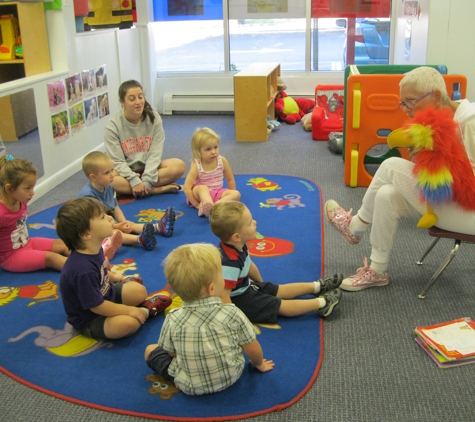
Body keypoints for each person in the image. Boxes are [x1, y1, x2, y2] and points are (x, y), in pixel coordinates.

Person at [325, 66, 475, 292]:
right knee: (387, 194)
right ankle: (377, 269)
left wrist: (440, 154)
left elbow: (467, 179)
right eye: (403, 102)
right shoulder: (432, 121)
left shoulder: (470, 120)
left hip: (469, 212)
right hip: (448, 203)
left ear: (435, 96)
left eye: (411, 101)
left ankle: (355, 226)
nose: (406, 109)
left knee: (390, 165)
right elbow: (432, 179)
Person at [144, 243, 274, 395]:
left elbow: (172, 353)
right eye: (222, 274)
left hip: (189, 385)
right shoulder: (231, 312)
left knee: (150, 350)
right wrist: (259, 365)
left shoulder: (173, 318)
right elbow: (252, 347)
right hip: (232, 375)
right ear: (211, 288)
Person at [56, 197, 172, 340]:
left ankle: (137, 306)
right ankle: (146, 310)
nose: (110, 218)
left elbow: (101, 269)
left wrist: (115, 278)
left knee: (139, 291)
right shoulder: (82, 270)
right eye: (102, 217)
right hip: (91, 318)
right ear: (86, 234)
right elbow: (97, 307)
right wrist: (130, 311)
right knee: (127, 324)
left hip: (106, 294)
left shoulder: (93, 247)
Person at [209, 201, 343, 321]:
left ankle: (317, 287)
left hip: (245, 287)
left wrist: (261, 286)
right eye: (250, 222)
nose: (255, 222)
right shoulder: (229, 263)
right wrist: (233, 319)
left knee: (278, 289)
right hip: (239, 300)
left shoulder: (238, 245)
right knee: (278, 305)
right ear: (236, 237)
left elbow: (249, 266)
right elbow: (224, 296)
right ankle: (322, 304)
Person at [78, 151, 176, 254]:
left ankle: (159, 227)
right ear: (93, 177)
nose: (112, 175)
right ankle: (139, 239)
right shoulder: (88, 197)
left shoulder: (108, 186)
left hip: (106, 220)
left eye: (112, 170)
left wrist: (123, 223)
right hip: (90, 230)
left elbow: (116, 207)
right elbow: (95, 225)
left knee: (129, 224)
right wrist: (116, 226)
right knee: (115, 233)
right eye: (107, 173)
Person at [104, 80, 186, 198]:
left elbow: (155, 153)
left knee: (179, 166)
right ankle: (155, 190)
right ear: (122, 102)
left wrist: (147, 179)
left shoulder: (154, 117)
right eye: (132, 99)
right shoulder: (113, 125)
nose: (138, 102)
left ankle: (139, 189)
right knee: (106, 179)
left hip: (150, 169)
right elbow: (117, 161)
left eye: (140, 97)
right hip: (125, 173)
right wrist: (134, 180)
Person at [0, 156, 70, 272]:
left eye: (33, 187)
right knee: (52, 258)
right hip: (11, 256)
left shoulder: (21, 202)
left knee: (61, 244)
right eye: (28, 188)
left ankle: (93, 260)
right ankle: (88, 272)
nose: (32, 192)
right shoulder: (2, 213)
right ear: (9, 188)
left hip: (28, 243)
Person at [183, 127, 241, 217]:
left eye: (216, 147)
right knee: (202, 188)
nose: (213, 152)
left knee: (236, 194)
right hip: (200, 194)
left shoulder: (222, 160)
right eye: (208, 149)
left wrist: (231, 197)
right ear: (198, 152)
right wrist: (196, 204)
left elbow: (230, 180)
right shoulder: (197, 165)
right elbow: (187, 187)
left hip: (218, 192)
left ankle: (215, 205)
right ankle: (207, 203)